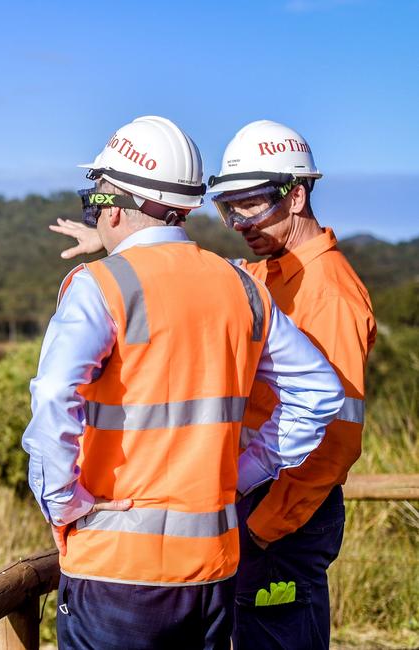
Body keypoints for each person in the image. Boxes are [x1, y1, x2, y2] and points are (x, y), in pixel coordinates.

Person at [22, 115, 344, 649]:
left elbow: (55, 399)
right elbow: (319, 392)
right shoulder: (240, 285)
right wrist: (244, 473)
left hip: (114, 569)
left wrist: (62, 502)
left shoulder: (97, 287)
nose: (94, 210)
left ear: (119, 205)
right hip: (213, 568)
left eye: (95, 199)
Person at [207, 120, 377, 650]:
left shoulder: (329, 295)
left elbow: (337, 440)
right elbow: (211, 278)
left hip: (283, 519)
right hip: (264, 505)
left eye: (250, 205)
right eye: (227, 208)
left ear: (296, 195)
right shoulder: (274, 274)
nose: (238, 222)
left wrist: (263, 528)